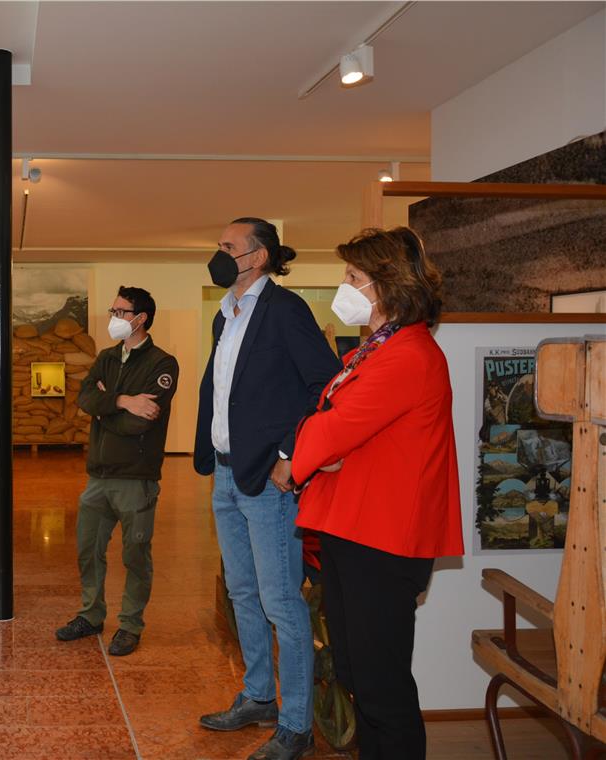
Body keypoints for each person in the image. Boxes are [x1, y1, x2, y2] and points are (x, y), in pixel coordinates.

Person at [290, 227, 463, 759]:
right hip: (356, 529)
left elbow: (330, 430)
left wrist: (318, 439)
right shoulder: (378, 348)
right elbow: (329, 418)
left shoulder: (408, 355)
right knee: (356, 672)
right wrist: (323, 436)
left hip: (384, 539)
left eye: (353, 277)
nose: (345, 287)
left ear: (387, 284)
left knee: (381, 685)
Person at [194, 218, 341, 760]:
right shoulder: (225, 314)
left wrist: (289, 454)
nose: (218, 254)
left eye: (228, 247)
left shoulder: (285, 310)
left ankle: (296, 724)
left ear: (257, 257)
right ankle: (258, 696)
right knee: (242, 593)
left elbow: (325, 385)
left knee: (280, 600)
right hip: (227, 474)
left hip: (267, 479)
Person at [55, 286, 179, 657]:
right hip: (98, 476)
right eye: (113, 310)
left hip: (136, 478)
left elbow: (141, 422)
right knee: (88, 549)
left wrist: (103, 409)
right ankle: (91, 615)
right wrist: (123, 401)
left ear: (140, 319)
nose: (114, 318)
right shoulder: (107, 357)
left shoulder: (162, 364)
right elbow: (85, 398)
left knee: (135, 555)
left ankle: (130, 625)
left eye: (120, 312)